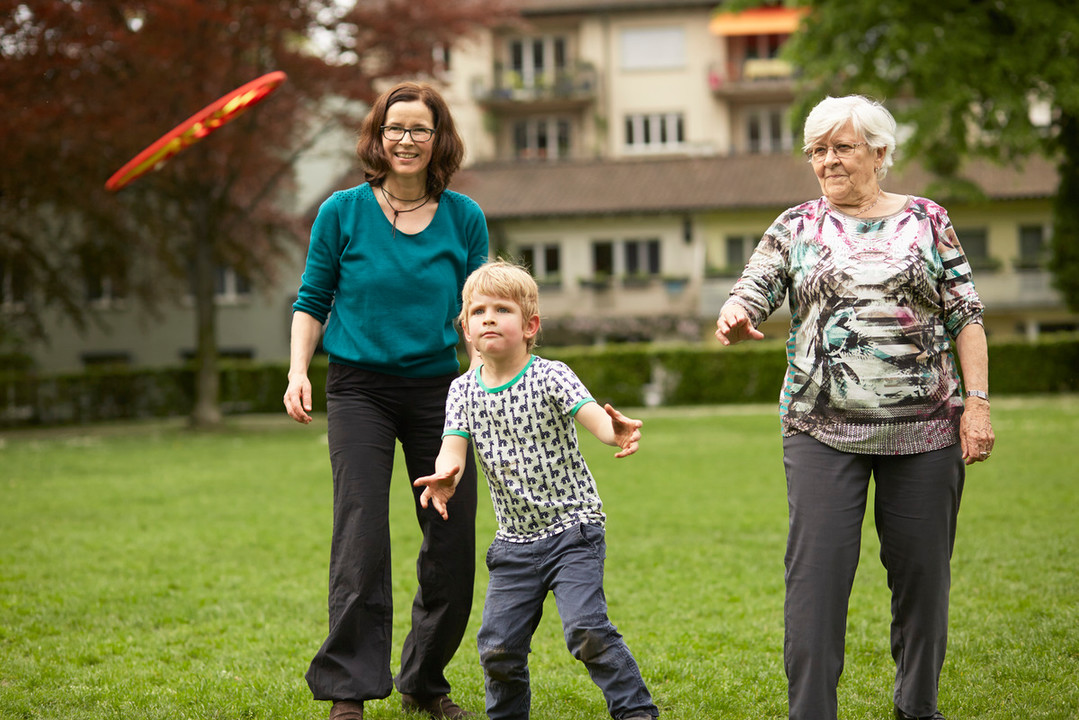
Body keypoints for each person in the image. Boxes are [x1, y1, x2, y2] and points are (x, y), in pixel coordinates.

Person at [714, 95, 995, 720]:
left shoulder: (928, 219)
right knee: (815, 583)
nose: (827, 161)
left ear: (880, 152)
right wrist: (738, 312)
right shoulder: (797, 225)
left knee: (924, 581)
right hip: (820, 427)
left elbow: (966, 316)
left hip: (925, 429)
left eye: (841, 147)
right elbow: (754, 284)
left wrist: (976, 405)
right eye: (817, 150)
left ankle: (916, 707)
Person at [283, 81, 488, 720]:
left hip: (441, 395)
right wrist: (297, 371)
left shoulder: (465, 218)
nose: (405, 139)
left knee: (451, 541)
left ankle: (424, 681)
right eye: (394, 128)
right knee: (361, 536)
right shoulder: (340, 212)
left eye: (419, 129)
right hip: (359, 391)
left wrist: (484, 385)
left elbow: (479, 313)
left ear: (439, 140)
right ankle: (350, 688)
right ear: (377, 137)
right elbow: (312, 299)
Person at [413, 260, 660, 720]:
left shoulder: (552, 375)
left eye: (502, 309)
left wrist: (617, 432)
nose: (489, 318)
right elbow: (453, 448)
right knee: (498, 649)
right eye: (478, 311)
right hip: (513, 546)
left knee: (587, 631)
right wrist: (446, 475)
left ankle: (636, 712)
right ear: (465, 328)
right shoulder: (461, 392)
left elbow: (594, 418)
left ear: (530, 326)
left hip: (574, 531)